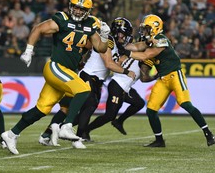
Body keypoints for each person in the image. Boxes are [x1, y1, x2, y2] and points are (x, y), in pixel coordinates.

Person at [1, 0, 109, 155]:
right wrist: (29, 50)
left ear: (88, 11)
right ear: (71, 6)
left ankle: (11, 134)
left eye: (82, 9)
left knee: (42, 109)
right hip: (56, 66)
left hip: (67, 71)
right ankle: (66, 127)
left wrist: (105, 35)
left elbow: (100, 48)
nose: (78, 11)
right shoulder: (62, 19)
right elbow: (39, 29)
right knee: (84, 90)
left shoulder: (91, 25)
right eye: (76, 7)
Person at [39, 17, 136, 149]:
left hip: (95, 78)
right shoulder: (108, 41)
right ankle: (77, 137)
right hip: (90, 77)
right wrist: (126, 71)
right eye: (123, 34)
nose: (125, 37)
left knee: (69, 107)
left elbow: (134, 48)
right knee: (89, 106)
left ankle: (50, 132)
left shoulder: (115, 44)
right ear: (117, 32)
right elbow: (108, 64)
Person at [122, 14, 215, 147]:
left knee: (185, 104)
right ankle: (159, 140)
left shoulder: (161, 39)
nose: (144, 31)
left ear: (155, 28)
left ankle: (208, 133)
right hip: (163, 78)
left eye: (147, 28)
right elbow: (137, 47)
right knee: (151, 109)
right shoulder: (149, 41)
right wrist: (122, 46)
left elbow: (146, 54)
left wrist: (126, 53)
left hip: (175, 75)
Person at [84, 18, 156, 140]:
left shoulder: (137, 50)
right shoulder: (141, 52)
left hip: (124, 86)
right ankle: (85, 130)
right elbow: (143, 76)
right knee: (110, 114)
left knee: (138, 103)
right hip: (118, 84)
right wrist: (157, 75)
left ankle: (119, 121)